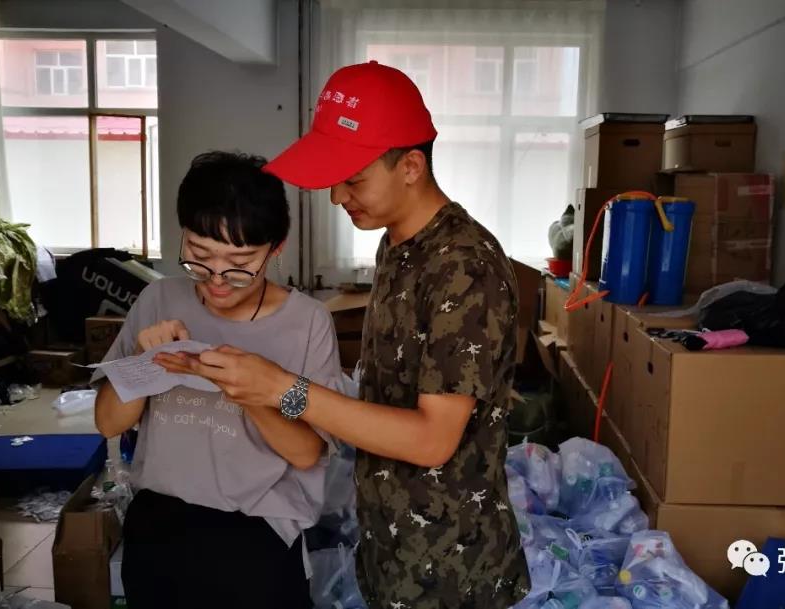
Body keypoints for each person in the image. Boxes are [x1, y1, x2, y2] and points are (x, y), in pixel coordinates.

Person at [157, 62, 529, 609]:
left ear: (410, 166)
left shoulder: (464, 268)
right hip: (395, 543)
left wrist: (282, 389)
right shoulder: (400, 244)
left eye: (353, 180)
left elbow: (432, 440)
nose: (337, 197)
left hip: (450, 567)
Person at [93, 151, 342, 609]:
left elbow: (307, 452)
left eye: (240, 264)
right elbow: (108, 422)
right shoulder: (158, 299)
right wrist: (146, 365)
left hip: (257, 532)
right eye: (200, 257)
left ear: (276, 248)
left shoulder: (307, 322)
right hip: (159, 524)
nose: (218, 281)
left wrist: (252, 392)